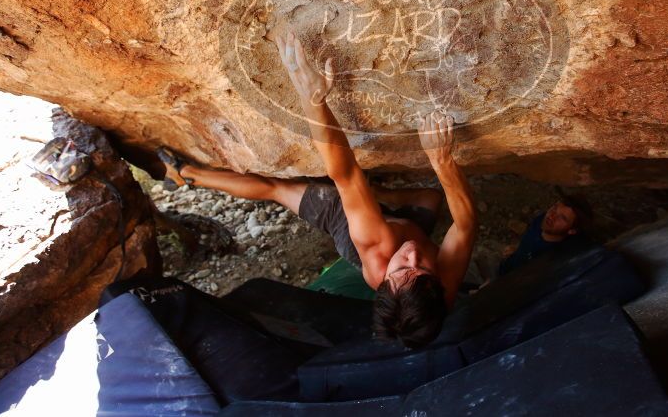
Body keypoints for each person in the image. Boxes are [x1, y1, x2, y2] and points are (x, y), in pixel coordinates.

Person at [158, 31, 477, 349]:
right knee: (432, 196)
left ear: (385, 279)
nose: (413, 254)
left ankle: (186, 176)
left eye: (404, 267)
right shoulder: (441, 288)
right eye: (421, 267)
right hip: (397, 225)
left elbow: (347, 176)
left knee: (276, 189)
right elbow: (465, 224)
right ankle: (381, 197)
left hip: (353, 231)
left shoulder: (376, 250)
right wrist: (442, 160)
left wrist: (313, 99)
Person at [497, 195, 593, 276]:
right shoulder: (543, 221)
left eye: (562, 218)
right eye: (555, 208)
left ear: (572, 230)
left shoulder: (552, 259)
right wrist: (519, 249)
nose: (552, 216)